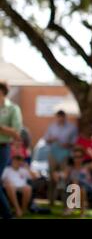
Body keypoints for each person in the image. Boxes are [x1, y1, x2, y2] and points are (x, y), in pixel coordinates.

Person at [44, 110, 78, 206]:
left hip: (65, 154)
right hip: (53, 153)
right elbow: (46, 139)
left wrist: (67, 144)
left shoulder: (72, 128)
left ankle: (66, 202)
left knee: (65, 178)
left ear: (65, 117)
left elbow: (74, 142)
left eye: (62, 117)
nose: (60, 119)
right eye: (58, 117)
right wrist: (52, 139)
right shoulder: (51, 127)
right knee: (52, 178)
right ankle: (51, 201)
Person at [0, 81, 23, 219]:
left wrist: (1, 128)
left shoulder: (13, 109)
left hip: (2, 148)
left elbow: (17, 133)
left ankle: (8, 215)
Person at [62, 146, 92, 216]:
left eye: (79, 157)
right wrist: (57, 175)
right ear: (73, 158)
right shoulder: (70, 169)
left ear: (83, 158)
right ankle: (82, 212)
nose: (77, 159)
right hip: (73, 189)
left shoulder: (86, 167)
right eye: (75, 157)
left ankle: (71, 206)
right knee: (77, 185)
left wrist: (89, 152)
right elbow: (63, 175)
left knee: (80, 186)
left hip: (88, 189)